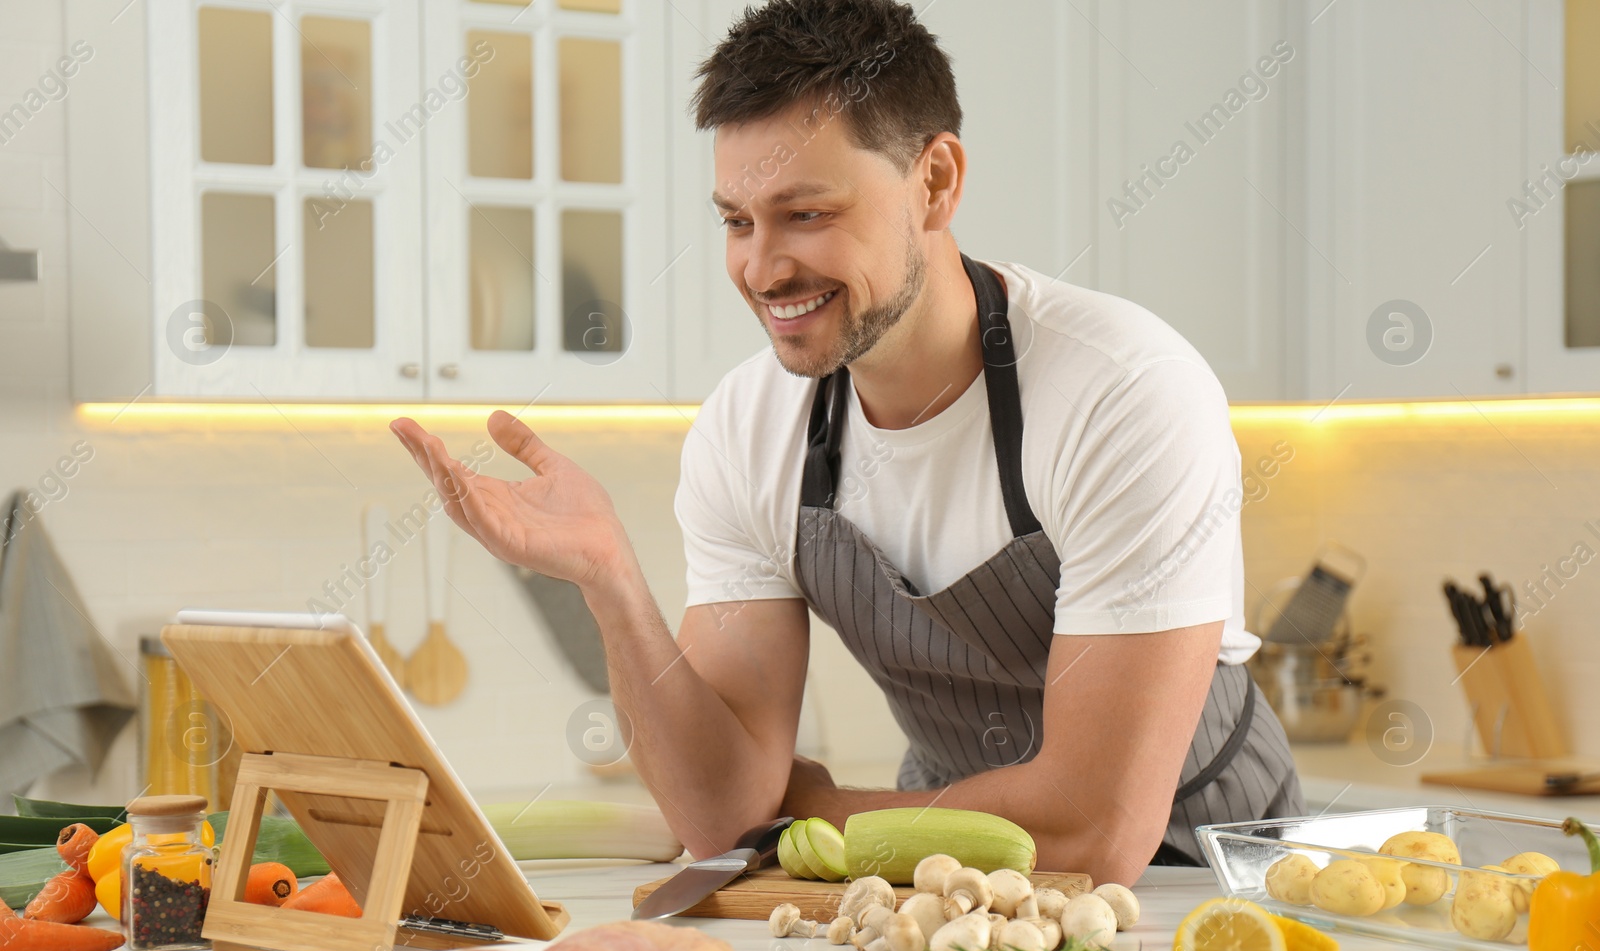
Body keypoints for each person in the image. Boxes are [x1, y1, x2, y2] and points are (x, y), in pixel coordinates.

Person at [392, 0, 1305, 885]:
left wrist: (818, 816)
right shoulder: (748, 433)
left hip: (1204, 877)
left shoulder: (1124, 393)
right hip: (933, 872)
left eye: (808, 213)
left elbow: (1097, 827)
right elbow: (719, 817)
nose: (761, 268)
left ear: (937, 182)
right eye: (736, 221)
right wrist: (611, 581)